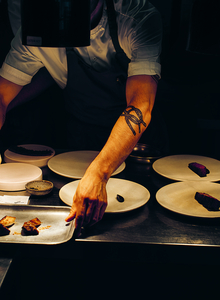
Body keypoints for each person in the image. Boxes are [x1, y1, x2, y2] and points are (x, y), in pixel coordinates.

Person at [0, 0, 162, 237]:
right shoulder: (38, 25)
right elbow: (2, 96)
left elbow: (141, 105)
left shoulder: (135, 18)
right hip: (80, 137)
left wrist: (98, 173)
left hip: (139, 151)